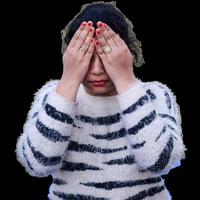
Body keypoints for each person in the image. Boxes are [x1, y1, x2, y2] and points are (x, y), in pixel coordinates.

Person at [16, 1, 186, 199]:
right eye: (87, 56)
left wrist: (126, 81)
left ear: (125, 53)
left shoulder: (155, 95)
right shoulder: (54, 95)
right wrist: (69, 80)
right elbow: (36, 165)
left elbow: (161, 163)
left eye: (107, 55)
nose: (97, 70)